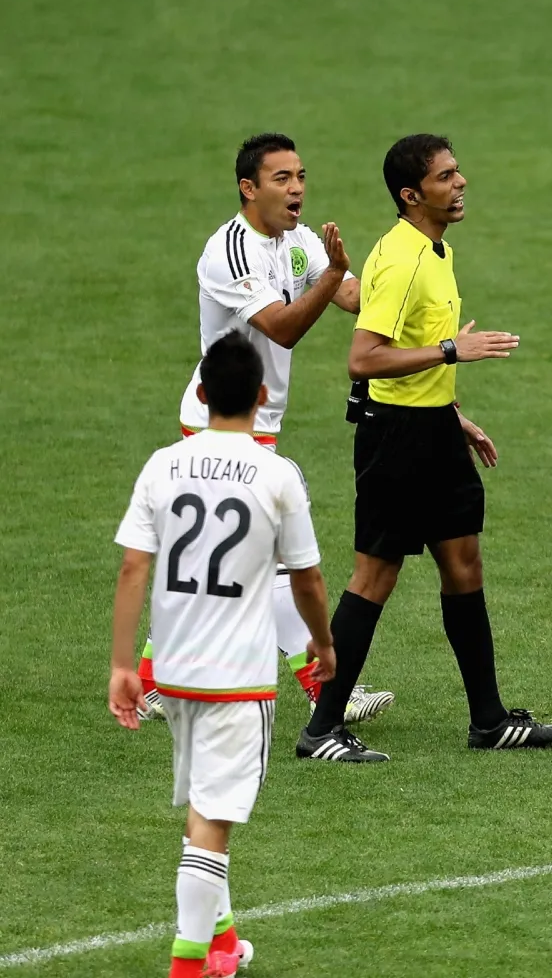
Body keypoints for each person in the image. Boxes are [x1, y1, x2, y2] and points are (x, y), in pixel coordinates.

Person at [297, 134, 552, 763]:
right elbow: (362, 358)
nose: (461, 181)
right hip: (396, 441)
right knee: (375, 576)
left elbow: (413, 350)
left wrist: (454, 414)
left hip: (434, 431)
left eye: (457, 170)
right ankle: (322, 729)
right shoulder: (400, 260)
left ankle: (490, 721)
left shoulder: (436, 249)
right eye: (446, 176)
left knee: (463, 565)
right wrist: (452, 352)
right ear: (411, 194)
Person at [138, 133, 392, 726]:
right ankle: (324, 685)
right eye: (282, 178)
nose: (297, 187)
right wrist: (333, 278)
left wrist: (401, 283)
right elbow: (281, 327)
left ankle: (152, 679)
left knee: (217, 560)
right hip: (219, 422)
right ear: (249, 188)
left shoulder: (297, 242)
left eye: (300, 175)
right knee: (273, 557)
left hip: (259, 422)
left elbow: (352, 294)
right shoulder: (229, 250)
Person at [110, 331, 338, 978]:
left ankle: (221, 946)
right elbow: (308, 579)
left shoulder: (163, 463)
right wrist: (322, 646)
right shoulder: (277, 474)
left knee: (202, 811)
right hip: (236, 681)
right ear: (263, 398)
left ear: (202, 394)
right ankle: (188, 967)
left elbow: (133, 567)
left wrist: (125, 666)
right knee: (213, 825)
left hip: (176, 674)